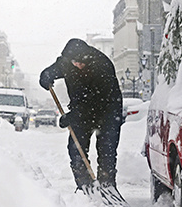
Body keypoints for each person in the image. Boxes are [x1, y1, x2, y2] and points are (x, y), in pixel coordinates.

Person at [39, 38, 124, 195]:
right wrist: (45, 76)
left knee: (107, 150)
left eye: (81, 62)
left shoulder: (102, 65)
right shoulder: (67, 62)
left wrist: (72, 117)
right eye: (75, 62)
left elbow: (95, 102)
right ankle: (85, 186)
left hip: (108, 111)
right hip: (81, 110)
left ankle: (107, 185)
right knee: (76, 148)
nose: (78, 65)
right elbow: (52, 71)